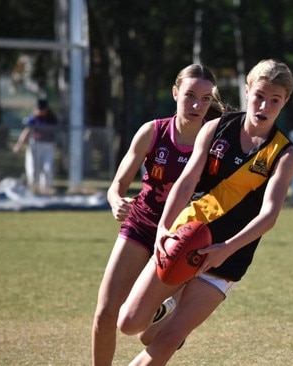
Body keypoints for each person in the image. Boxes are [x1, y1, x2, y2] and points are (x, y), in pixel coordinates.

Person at [117, 59, 293, 365]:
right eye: (258, 96)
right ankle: (173, 303)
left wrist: (225, 249)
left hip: (229, 256)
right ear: (246, 91)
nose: (264, 106)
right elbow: (186, 182)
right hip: (186, 235)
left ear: (285, 102)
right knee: (130, 323)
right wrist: (164, 227)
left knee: (169, 338)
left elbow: (269, 215)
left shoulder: (284, 153)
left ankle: (177, 318)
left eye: (275, 100)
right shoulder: (217, 127)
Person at [92, 64, 226, 366]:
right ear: (175, 92)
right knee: (105, 313)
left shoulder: (219, 143)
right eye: (190, 95)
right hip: (141, 225)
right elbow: (117, 185)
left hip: (182, 238)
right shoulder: (153, 132)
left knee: (148, 335)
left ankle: (168, 314)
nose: (196, 105)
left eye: (206, 99)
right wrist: (116, 201)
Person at [12, 98, 59, 194]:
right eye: (39, 109)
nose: (41, 111)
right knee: (33, 169)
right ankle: (33, 189)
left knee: (47, 168)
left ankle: (46, 189)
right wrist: (19, 145)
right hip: (35, 145)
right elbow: (26, 132)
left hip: (48, 145)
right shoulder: (33, 119)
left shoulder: (52, 119)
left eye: (42, 109)